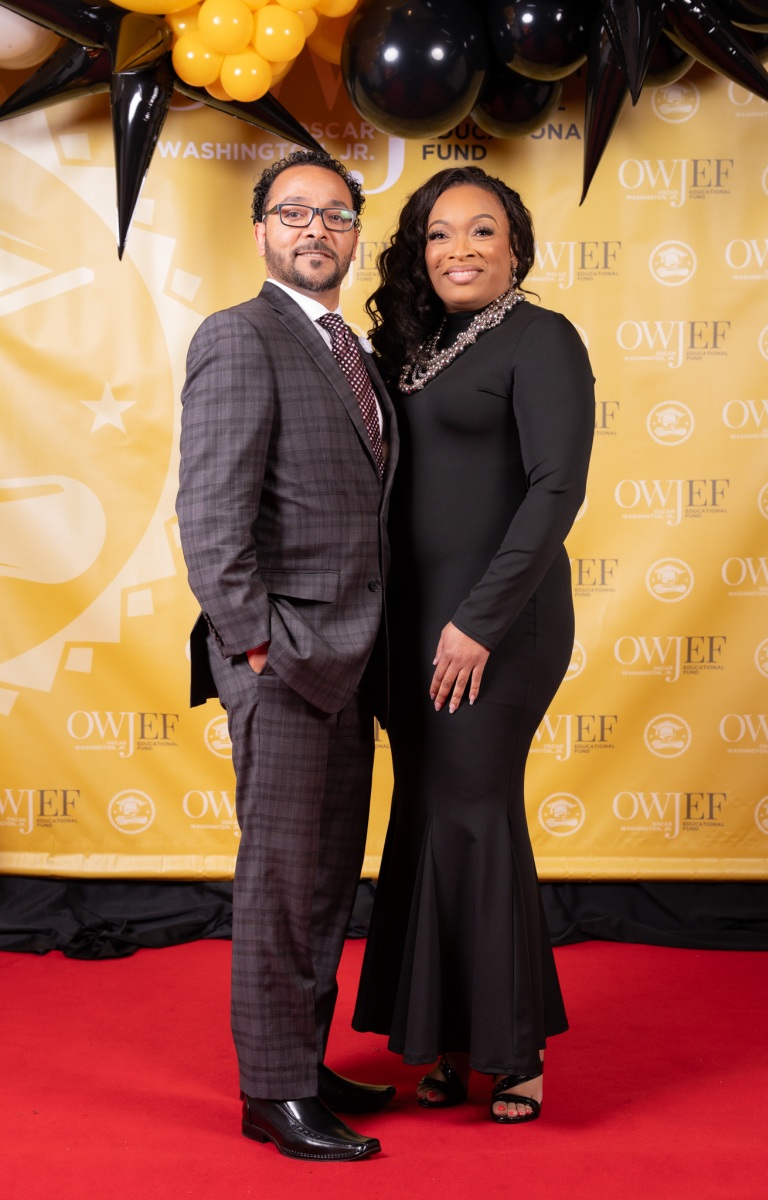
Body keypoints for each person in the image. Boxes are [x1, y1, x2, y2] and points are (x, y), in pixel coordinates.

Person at [352, 166, 595, 1124]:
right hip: (411, 628)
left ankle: (513, 1051)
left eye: (482, 230)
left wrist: (480, 622)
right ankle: (448, 1042)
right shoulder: (417, 347)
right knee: (426, 815)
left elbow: (555, 488)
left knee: (474, 812)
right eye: (439, 233)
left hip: (495, 627)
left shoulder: (543, 338)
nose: (460, 249)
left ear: (516, 249)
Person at [176, 149, 398, 1162]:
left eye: (336, 215)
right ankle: (272, 1093)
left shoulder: (352, 348)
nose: (317, 229)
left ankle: (301, 1061)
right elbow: (211, 515)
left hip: (350, 661)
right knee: (279, 884)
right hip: (287, 661)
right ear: (261, 229)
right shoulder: (239, 335)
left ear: (355, 235)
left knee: (323, 883)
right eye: (295, 212)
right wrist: (259, 646)